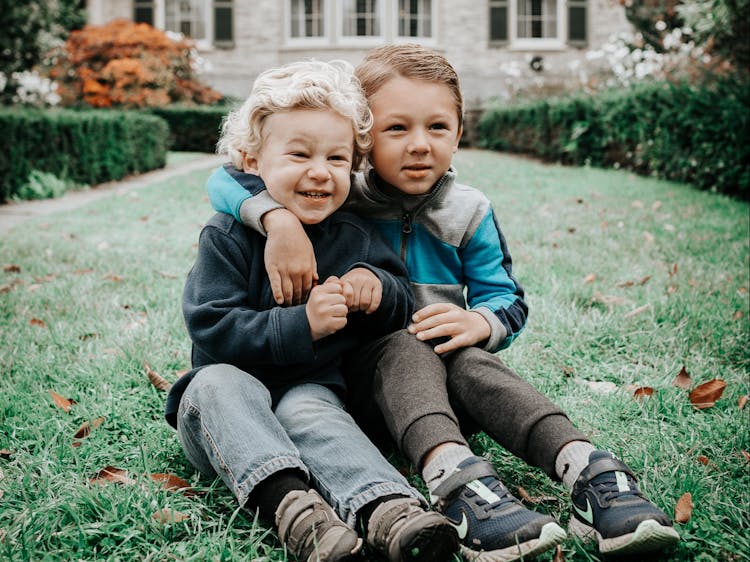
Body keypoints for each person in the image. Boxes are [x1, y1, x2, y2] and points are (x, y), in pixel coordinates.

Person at [206, 45, 681, 561]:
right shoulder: (343, 195)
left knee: (465, 358)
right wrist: (277, 219)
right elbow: (227, 174)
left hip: (451, 380)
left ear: (459, 132)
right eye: (396, 129)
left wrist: (478, 321)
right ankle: (460, 487)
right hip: (357, 388)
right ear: (363, 139)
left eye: (437, 127)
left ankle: (588, 468)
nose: (418, 146)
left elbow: (506, 299)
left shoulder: (467, 210)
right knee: (406, 345)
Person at [165, 59, 461, 562]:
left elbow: (399, 301)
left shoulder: (351, 233)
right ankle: (295, 514)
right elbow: (211, 324)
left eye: (337, 158)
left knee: (313, 410)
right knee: (215, 384)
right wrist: (301, 324)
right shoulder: (226, 235)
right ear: (252, 162)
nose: (320, 172)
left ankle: (388, 508)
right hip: (223, 409)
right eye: (299, 154)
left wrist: (376, 287)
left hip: (311, 386)